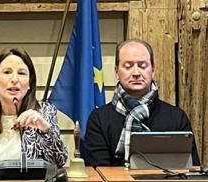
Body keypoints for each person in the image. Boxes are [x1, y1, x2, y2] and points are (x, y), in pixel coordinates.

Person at [82, 39, 198, 167]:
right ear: (116, 72)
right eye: (128, 66)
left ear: (153, 71)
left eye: (142, 66)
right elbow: (98, 172)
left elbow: (191, 169)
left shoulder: (177, 117)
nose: (136, 73)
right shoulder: (99, 119)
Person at [0, 48, 69, 168]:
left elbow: (60, 161)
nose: (14, 79)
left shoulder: (45, 112)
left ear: (29, 82)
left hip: (34, 181)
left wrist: (46, 130)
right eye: (7, 72)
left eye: (21, 73)